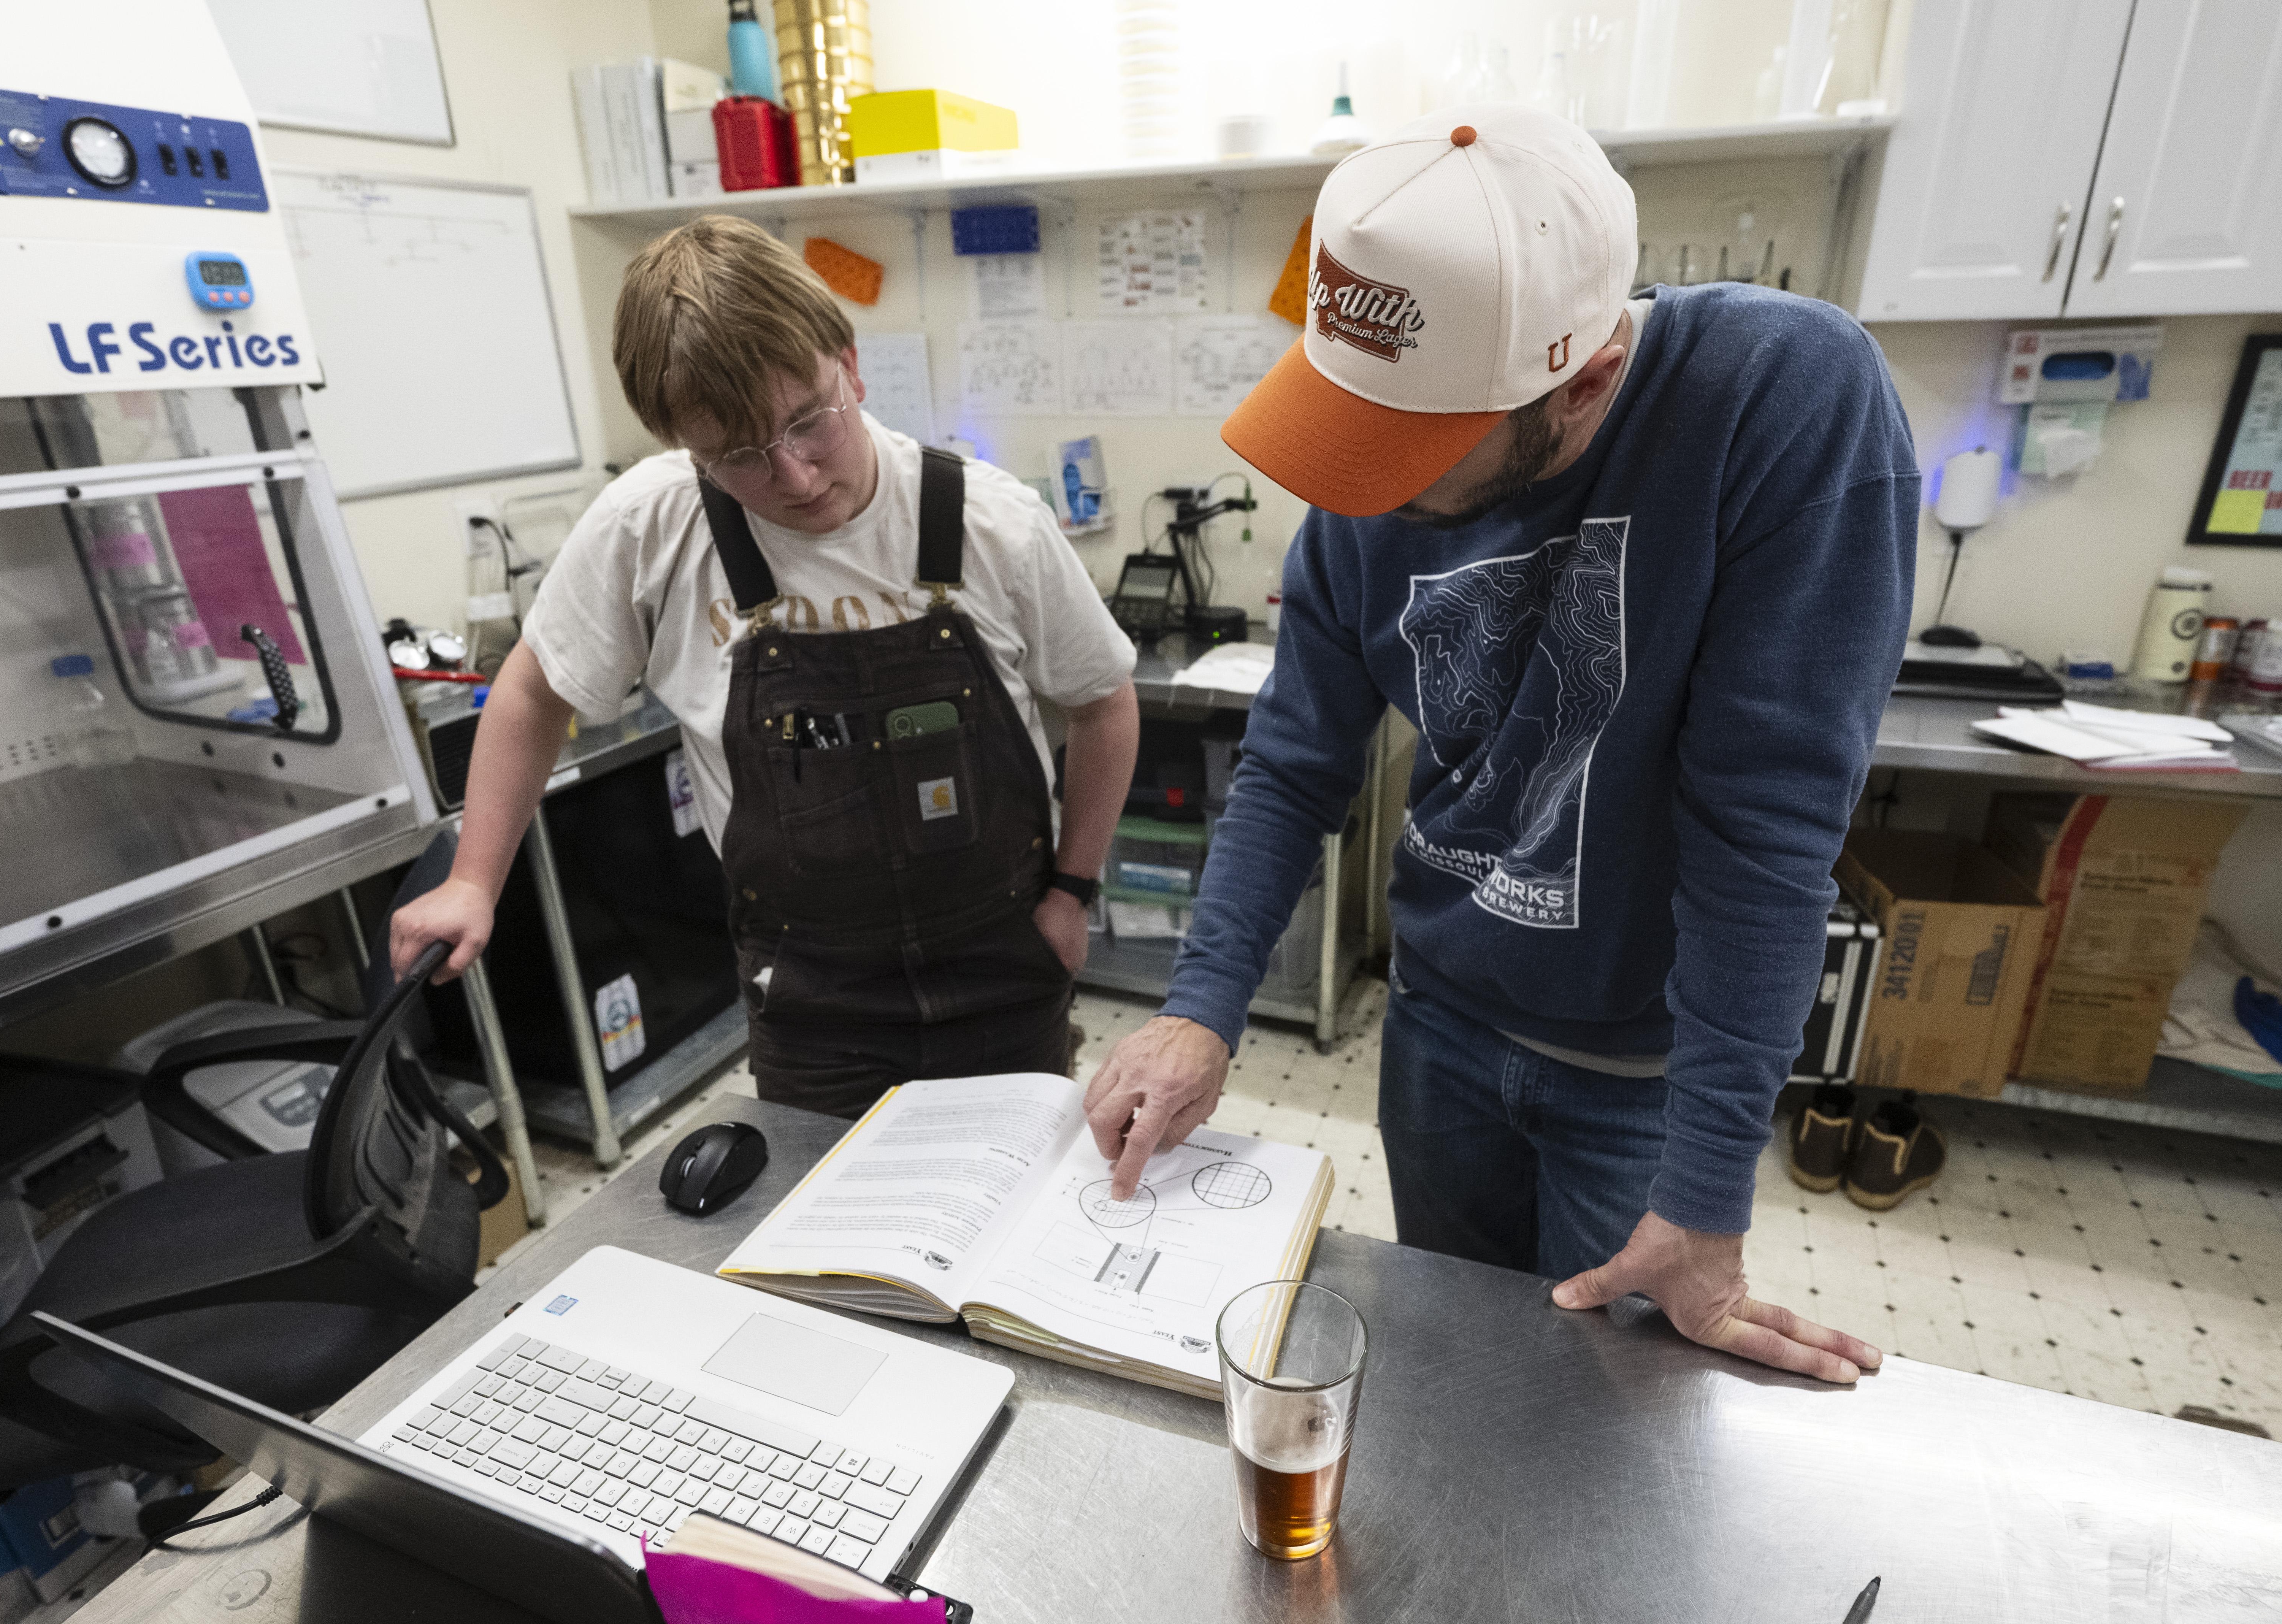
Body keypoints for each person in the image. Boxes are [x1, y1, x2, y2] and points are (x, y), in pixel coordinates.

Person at [1083, 108, 1916, 1386]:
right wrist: (1200, 1009)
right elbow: (1296, 761)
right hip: (1441, 1034)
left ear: (1580, 383)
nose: (1362, 485)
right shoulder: (1370, 470)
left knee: (1607, 1415)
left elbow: (1764, 829)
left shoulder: (1780, 394)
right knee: (1465, 1382)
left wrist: (1701, 1198)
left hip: (1641, 1064)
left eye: (1408, 442)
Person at [391, 216, 1139, 1118]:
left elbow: (1102, 703)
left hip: (1003, 967)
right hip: (810, 997)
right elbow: (530, 688)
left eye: (808, 422)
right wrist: (473, 879)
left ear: (850, 366)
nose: (793, 476)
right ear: (683, 443)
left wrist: (1071, 892)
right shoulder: (650, 527)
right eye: (736, 455)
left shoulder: (990, 522)